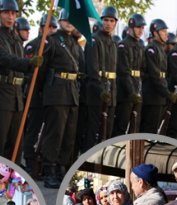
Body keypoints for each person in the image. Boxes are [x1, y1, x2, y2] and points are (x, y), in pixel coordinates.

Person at [0, 0, 43, 160]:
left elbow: (20, 61)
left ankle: (12, 177)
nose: (10, 17)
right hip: (0, 94)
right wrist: (28, 63)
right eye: (6, 13)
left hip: (16, 95)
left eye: (13, 13)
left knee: (16, 144)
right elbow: (5, 59)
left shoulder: (15, 39)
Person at [40, 9, 84, 189]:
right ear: (59, 21)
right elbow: (42, 69)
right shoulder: (51, 40)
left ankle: (61, 169)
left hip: (72, 93)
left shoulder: (75, 43)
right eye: (65, 19)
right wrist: (44, 92)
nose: (68, 22)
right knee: (55, 134)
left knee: (69, 136)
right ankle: (48, 171)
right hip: (56, 92)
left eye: (71, 20)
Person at [22, 13, 58, 175]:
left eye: (53, 27)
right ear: (41, 27)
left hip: (49, 93)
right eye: (48, 27)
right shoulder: (32, 45)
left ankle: (40, 163)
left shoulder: (54, 45)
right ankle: (30, 162)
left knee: (46, 132)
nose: (51, 30)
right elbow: (29, 71)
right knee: (33, 130)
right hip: (35, 93)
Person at [83, 6, 118, 150]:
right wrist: (101, 91)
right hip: (96, 94)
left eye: (111, 20)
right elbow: (92, 70)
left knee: (107, 133)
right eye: (105, 20)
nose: (108, 23)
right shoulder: (93, 40)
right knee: (93, 132)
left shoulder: (114, 43)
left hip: (111, 94)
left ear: (115, 23)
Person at [113, 14, 146, 136]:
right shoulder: (123, 45)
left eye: (142, 28)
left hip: (137, 90)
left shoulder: (140, 46)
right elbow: (123, 72)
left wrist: (137, 89)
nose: (140, 30)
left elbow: (142, 69)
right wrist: (131, 91)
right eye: (138, 27)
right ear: (130, 28)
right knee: (122, 127)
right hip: (125, 93)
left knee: (134, 127)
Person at [139, 18, 172, 134]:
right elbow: (154, 74)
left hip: (159, 96)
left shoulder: (161, 48)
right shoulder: (151, 48)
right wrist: (166, 92)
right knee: (149, 129)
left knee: (156, 130)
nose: (166, 33)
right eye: (163, 31)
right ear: (155, 33)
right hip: (152, 95)